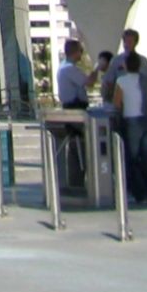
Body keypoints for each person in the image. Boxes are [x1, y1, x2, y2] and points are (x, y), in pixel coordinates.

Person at [105, 46, 147, 205]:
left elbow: (117, 102)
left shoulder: (122, 80)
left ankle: (139, 193)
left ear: (126, 65)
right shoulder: (145, 80)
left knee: (133, 158)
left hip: (131, 120)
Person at [54, 39, 90, 192]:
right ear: (76, 52)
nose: (81, 55)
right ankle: (77, 180)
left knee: (76, 146)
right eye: (80, 52)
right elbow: (87, 81)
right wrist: (98, 68)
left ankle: (76, 180)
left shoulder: (63, 68)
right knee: (79, 145)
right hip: (75, 109)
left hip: (71, 108)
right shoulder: (69, 69)